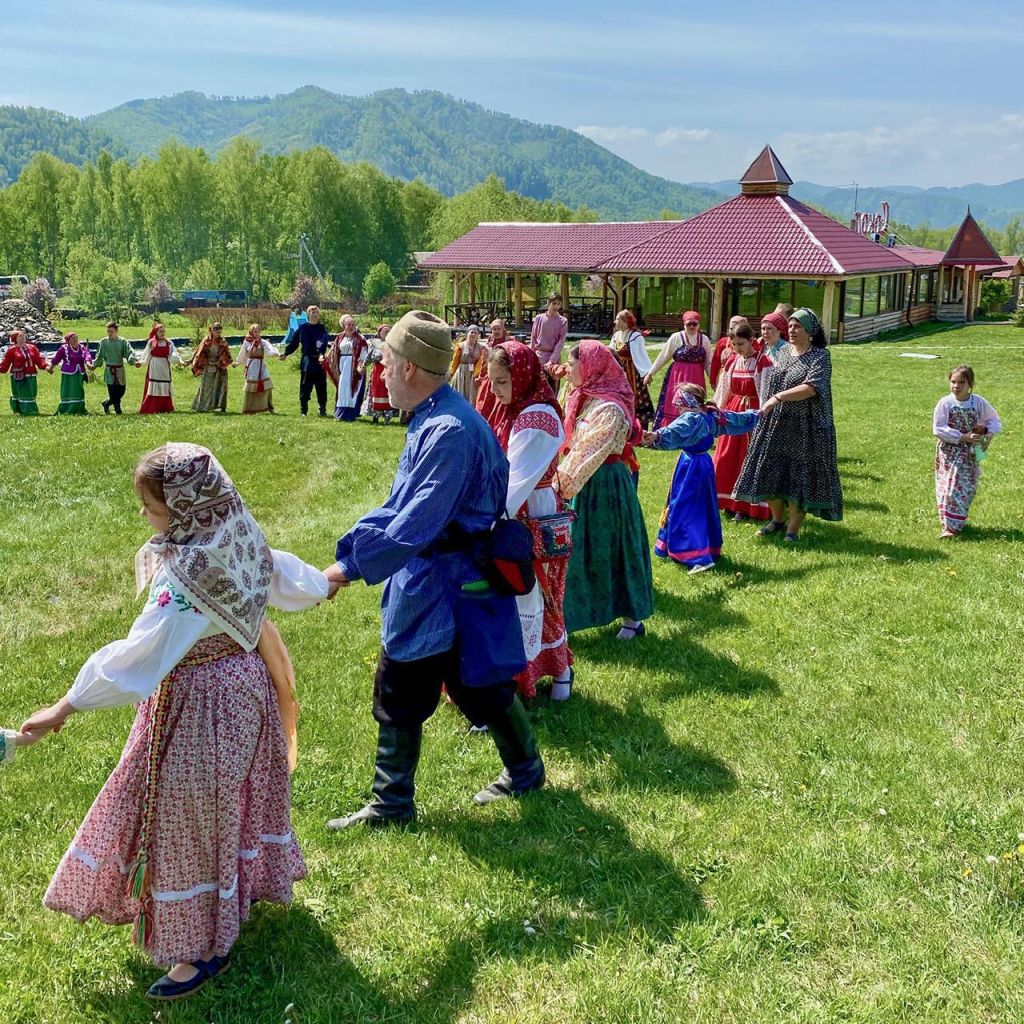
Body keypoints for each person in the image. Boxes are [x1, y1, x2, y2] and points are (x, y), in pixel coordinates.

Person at [18, 443, 332, 1001]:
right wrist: (331, 578)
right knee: (227, 802)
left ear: (185, 508)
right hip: (245, 693)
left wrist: (66, 706)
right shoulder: (238, 535)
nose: (145, 516)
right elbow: (290, 578)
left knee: (190, 817)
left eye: (151, 506)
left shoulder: (190, 574)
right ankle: (233, 899)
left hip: (204, 705)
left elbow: (139, 656)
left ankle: (204, 947)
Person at [325, 311, 544, 830]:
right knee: (472, 683)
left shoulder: (448, 431)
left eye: (386, 363)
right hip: (444, 578)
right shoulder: (437, 415)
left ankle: (392, 803)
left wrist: (348, 570)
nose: (378, 373)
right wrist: (347, 553)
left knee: (408, 679)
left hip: (444, 583)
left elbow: (414, 525)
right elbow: (399, 505)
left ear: (408, 369)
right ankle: (525, 770)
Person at [484, 341, 574, 701]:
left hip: (530, 513)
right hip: (518, 512)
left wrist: (484, 517)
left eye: (501, 381)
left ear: (520, 377)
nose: (494, 389)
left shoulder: (537, 418)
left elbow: (515, 480)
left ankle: (552, 673)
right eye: (491, 380)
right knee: (520, 593)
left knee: (534, 593)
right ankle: (530, 674)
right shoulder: (518, 409)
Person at [554, 340, 654, 640]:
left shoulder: (609, 407)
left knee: (612, 549)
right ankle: (569, 616)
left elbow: (589, 452)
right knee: (580, 552)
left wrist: (559, 484)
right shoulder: (586, 398)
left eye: (572, 365)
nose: (568, 370)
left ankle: (632, 620)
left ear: (591, 367)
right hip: (586, 485)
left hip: (605, 486)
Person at [733, 308, 843, 542]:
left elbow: (812, 387)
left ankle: (792, 530)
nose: (792, 330)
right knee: (770, 471)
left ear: (810, 332)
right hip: (777, 423)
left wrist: (779, 397)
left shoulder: (820, 356)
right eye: (790, 326)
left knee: (799, 478)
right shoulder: (783, 353)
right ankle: (777, 519)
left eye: (797, 327)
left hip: (806, 427)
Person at [645, 384, 762, 573]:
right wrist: (758, 414)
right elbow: (738, 419)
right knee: (700, 506)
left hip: (691, 467)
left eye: (680, 405)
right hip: (704, 464)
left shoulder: (691, 419)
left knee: (687, 509)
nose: (678, 410)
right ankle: (703, 548)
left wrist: (654, 436)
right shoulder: (712, 415)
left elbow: (674, 431)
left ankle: (698, 557)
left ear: (688, 403)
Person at [713, 324, 773, 521]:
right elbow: (724, 389)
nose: (737, 348)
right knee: (726, 457)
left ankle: (746, 506)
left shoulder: (763, 362)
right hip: (733, 412)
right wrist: (717, 411)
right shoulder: (732, 361)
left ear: (751, 340)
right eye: (734, 344)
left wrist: (762, 416)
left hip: (752, 413)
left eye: (741, 343)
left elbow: (765, 391)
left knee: (747, 460)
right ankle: (728, 502)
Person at [933, 365, 1001, 538]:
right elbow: (938, 428)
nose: (956, 386)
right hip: (949, 452)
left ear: (970, 383)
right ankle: (948, 527)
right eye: (953, 382)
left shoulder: (978, 402)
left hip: (969, 453)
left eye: (961, 382)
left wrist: (985, 434)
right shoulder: (945, 403)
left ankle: (957, 523)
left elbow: (994, 421)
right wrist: (962, 436)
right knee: (948, 486)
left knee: (965, 487)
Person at [643, 310, 713, 428]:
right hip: (678, 377)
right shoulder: (676, 337)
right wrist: (651, 373)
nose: (691, 326)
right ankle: (673, 429)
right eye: (688, 324)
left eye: (694, 324)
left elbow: (708, 362)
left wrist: (713, 380)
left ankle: (694, 429)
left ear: (699, 324)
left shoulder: (704, 340)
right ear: (684, 324)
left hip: (697, 377)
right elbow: (663, 356)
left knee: (695, 403)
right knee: (677, 402)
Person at [609, 309, 655, 430]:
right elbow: (610, 353)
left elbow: (641, 355)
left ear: (625, 322)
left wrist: (646, 373)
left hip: (632, 372)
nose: (615, 321)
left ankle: (639, 428)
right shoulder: (617, 335)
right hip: (619, 371)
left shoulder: (635, 336)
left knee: (637, 398)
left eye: (618, 319)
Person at [282, 305, 330, 417]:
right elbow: (294, 343)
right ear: (308, 314)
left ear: (319, 315)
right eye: (312, 312)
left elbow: (323, 341)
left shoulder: (322, 328)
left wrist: (322, 354)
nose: (314, 314)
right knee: (305, 385)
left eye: (316, 312)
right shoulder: (303, 328)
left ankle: (322, 409)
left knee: (321, 386)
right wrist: (286, 353)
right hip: (307, 361)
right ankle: (303, 410)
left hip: (319, 360)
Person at [323, 314, 367, 422]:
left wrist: (361, 365)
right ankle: (340, 412)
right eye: (348, 325)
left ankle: (351, 413)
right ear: (344, 326)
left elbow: (364, 352)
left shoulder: (360, 338)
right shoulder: (340, 337)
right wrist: (325, 359)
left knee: (351, 389)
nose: (351, 327)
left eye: (353, 324)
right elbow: (333, 351)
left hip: (354, 365)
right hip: (342, 365)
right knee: (342, 388)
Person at [93, 321, 139, 415]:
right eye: (108, 331)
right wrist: (94, 365)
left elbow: (129, 352)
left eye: (111, 331)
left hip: (119, 370)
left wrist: (133, 361)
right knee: (112, 391)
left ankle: (106, 403)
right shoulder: (104, 342)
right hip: (110, 370)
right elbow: (99, 355)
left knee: (121, 390)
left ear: (116, 331)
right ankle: (118, 410)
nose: (109, 333)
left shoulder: (122, 341)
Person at [0, 330, 48, 415]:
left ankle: (28, 410)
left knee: (31, 392)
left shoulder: (32, 347)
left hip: (31, 374)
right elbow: (5, 364)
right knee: (22, 393)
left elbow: (39, 359)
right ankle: (25, 411)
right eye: (20, 336)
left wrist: (45, 366)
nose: (23, 338)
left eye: (23, 336)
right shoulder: (12, 350)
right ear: (15, 339)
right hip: (19, 376)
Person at [187, 323, 232, 413]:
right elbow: (198, 351)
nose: (218, 334)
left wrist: (220, 362)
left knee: (220, 387)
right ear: (211, 331)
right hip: (208, 366)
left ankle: (221, 406)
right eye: (217, 332)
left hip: (219, 367)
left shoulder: (223, 342)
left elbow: (227, 354)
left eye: (220, 332)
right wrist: (191, 360)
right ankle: (203, 406)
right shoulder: (206, 341)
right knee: (206, 387)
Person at [47, 332, 94, 415]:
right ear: (68, 340)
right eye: (73, 338)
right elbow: (56, 359)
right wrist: (51, 368)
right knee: (68, 390)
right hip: (68, 374)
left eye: (76, 338)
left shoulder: (82, 347)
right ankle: (67, 408)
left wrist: (88, 363)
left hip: (79, 373)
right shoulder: (64, 348)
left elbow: (87, 356)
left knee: (79, 390)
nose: (75, 340)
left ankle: (79, 408)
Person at [139, 323, 182, 414]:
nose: (162, 333)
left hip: (164, 366)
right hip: (154, 366)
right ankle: (151, 407)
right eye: (160, 331)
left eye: (164, 331)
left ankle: (165, 407)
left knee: (164, 386)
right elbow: (146, 354)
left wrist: (179, 361)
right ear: (156, 332)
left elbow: (174, 353)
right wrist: (141, 362)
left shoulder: (169, 342)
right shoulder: (151, 342)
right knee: (154, 386)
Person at [235, 323, 278, 414]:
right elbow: (242, 353)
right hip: (252, 366)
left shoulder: (262, 342)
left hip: (261, 365)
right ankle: (250, 408)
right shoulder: (247, 342)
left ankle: (268, 406)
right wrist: (237, 362)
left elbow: (269, 349)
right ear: (251, 331)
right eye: (255, 331)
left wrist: (276, 353)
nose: (257, 333)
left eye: (258, 331)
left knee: (267, 385)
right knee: (252, 387)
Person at [530, 293, 568, 384]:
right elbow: (533, 337)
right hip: (539, 355)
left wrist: (552, 361)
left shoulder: (562, 321)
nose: (556, 306)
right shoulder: (539, 318)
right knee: (537, 385)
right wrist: (532, 355)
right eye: (554, 303)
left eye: (558, 304)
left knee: (552, 387)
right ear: (548, 303)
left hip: (553, 357)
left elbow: (560, 342)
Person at [363, 324, 398, 424]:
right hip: (377, 370)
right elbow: (369, 356)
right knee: (376, 392)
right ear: (379, 333)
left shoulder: (394, 344)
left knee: (389, 391)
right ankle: (375, 416)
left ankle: (388, 416)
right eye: (385, 331)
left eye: (389, 331)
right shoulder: (374, 343)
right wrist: (363, 366)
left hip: (390, 370)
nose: (387, 333)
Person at [448, 324, 485, 405]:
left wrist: (476, 375)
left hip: (473, 374)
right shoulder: (460, 346)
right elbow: (455, 362)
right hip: (462, 373)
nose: (473, 334)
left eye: (475, 333)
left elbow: (480, 363)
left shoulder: (481, 348)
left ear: (478, 335)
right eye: (471, 332)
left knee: (471, 396)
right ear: (467, 333)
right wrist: (450, 374)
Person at [709, 315, 749, 390]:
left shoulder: (751, 343)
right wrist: (713, 381)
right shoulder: (723, 342)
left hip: (741, 378)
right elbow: (715, 363)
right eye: (731, 328)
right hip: (723, 378)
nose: (733, 331)